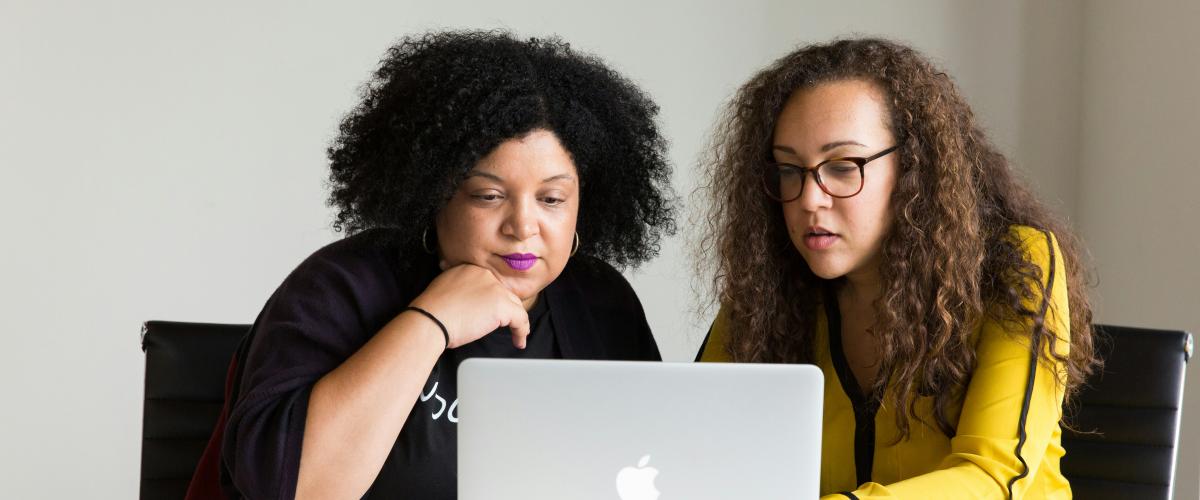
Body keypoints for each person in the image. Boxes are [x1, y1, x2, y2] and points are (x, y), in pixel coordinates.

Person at [185, 30, 675, 500]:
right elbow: (294, 491)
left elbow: (657, 463)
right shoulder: (343, 286)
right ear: (435, 193)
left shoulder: (600, 301)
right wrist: (431, 321)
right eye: (489, 195)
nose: (523, 225)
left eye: (551, 198)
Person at [694, 38, 1097, 499]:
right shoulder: (770, 285)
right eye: (789, 170)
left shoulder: (1014, 265)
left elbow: (992, 477)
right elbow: (698, 444)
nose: (808, 199)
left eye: (843, 166)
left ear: (913, 170)